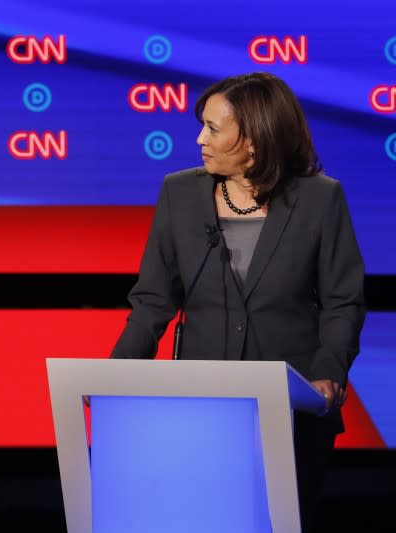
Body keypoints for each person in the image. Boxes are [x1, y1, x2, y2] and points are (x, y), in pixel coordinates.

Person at [110, 72, 365, 532]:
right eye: (201, 126)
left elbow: (343, 300)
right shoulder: (180, 194)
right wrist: (116, 374)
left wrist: (328, 372)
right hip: (202, 408)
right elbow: (153, 299)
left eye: (213, 128)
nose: (199, 139)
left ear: (252, 140)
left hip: (293, 408)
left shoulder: (320, 199)